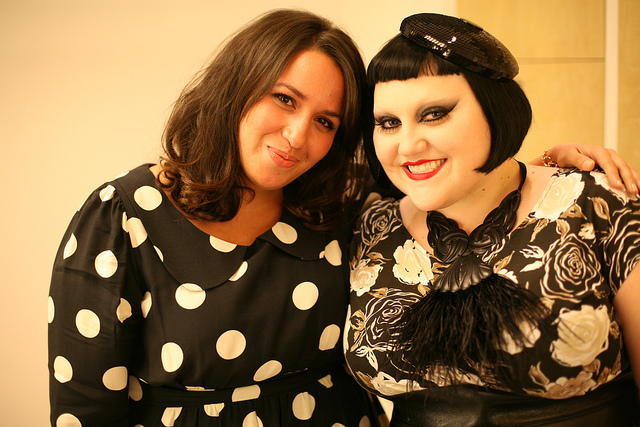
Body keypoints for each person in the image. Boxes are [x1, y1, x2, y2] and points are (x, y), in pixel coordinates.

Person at [48, 8, 635, 427]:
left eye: (327, 121)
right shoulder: (125, 215)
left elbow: (474, 183)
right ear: (235, 88)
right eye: (283, 98)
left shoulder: (333, 211)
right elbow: (86, 406)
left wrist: (556, 166)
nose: (298, 135)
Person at [345, 13, 640, 426]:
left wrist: (551, 166)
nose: (408, 145)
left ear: (495, 108)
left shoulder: (598, 202)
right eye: (388, 123)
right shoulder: (371, 225)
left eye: (434, 114)